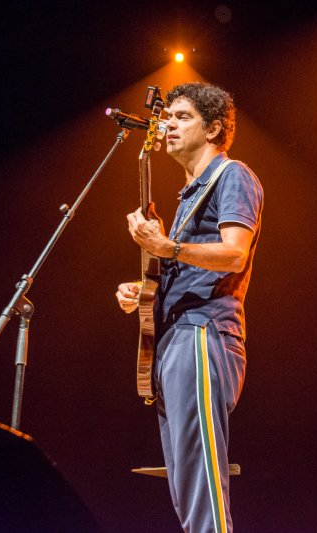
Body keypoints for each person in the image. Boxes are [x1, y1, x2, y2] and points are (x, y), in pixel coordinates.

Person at [116, 82, 263, 532]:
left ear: (214, 127)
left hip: (203, 334)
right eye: (167, 118)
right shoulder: (185, 198)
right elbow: (181, 263)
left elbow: (235, 253)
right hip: (175, 341)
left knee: (201, 483)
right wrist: (142, 291)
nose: (168, 126)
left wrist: (168, 247)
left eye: (182, 117)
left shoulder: (232, 175)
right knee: (184, 483)